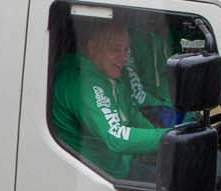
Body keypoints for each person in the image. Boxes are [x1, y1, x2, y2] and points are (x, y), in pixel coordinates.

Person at [49, 19, 168, 179]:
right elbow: (116, 138)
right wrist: (169, 137)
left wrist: (168, 139)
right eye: (115, 50)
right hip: (93, 177)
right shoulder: (83, 82)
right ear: (92, 48)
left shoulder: (108, 76)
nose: (123, 58)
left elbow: (133, 117)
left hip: (115, 168)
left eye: (126, 50)